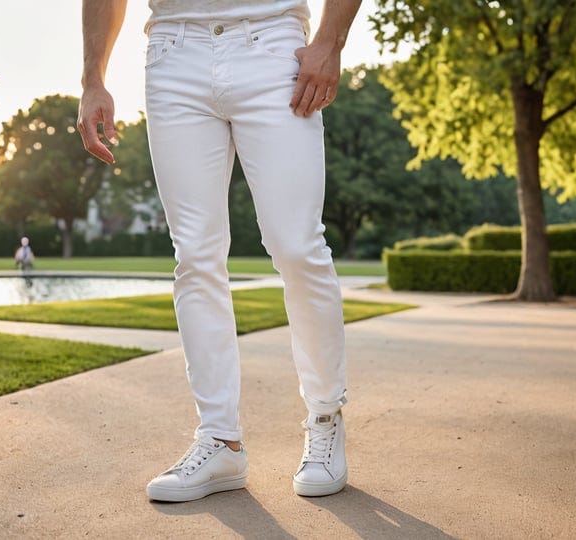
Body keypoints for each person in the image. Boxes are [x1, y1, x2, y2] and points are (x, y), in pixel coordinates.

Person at [79, 0, 361, 502]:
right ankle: (220, 439)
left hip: (275, 46)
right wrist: (92, 78)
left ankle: (324, 417)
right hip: (173, 50)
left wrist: (330, 40)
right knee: (194, 255)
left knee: (296, 245)